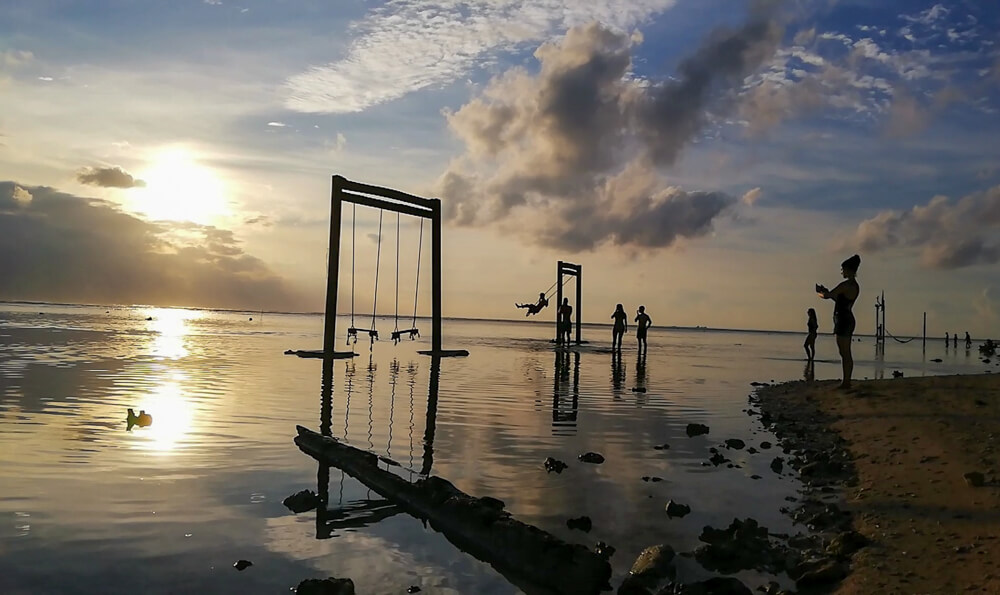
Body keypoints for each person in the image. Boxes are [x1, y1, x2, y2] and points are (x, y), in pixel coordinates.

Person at [816, 254, 860, 390]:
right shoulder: (853, 286)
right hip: (845, 318)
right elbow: (838, 300)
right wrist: (829, 294)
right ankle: (846, 380)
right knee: (845, 352)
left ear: (849, 270)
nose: (841, 272)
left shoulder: (847, 285)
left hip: (844, 320)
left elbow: (828, 296)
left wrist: (820, 292)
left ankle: (846, 382)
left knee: (845, 353)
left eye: (843, 269)